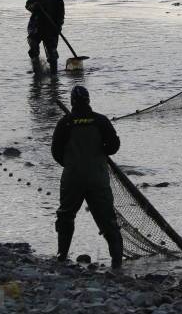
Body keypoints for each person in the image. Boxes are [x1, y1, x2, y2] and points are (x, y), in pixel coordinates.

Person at [51, 86, 123, 269]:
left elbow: (55, 152)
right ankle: (117, 262)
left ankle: (62, 255)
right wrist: (100, 154)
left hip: (72, 178)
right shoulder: (100, 121)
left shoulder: (65, 122)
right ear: (88, 100)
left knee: (66, 216)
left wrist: (70, 164)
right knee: (108, 219)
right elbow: (114, 146)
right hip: (98, 177)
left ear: (72, 102)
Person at [26, 0, 65, 74]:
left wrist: (58, 26)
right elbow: (28, 6)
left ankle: (53, 75)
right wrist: (34, 6)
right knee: (33, 48)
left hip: (51, 27)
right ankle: (37, 71)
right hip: (36, 26)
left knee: (52, 54)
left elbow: (61, 13)